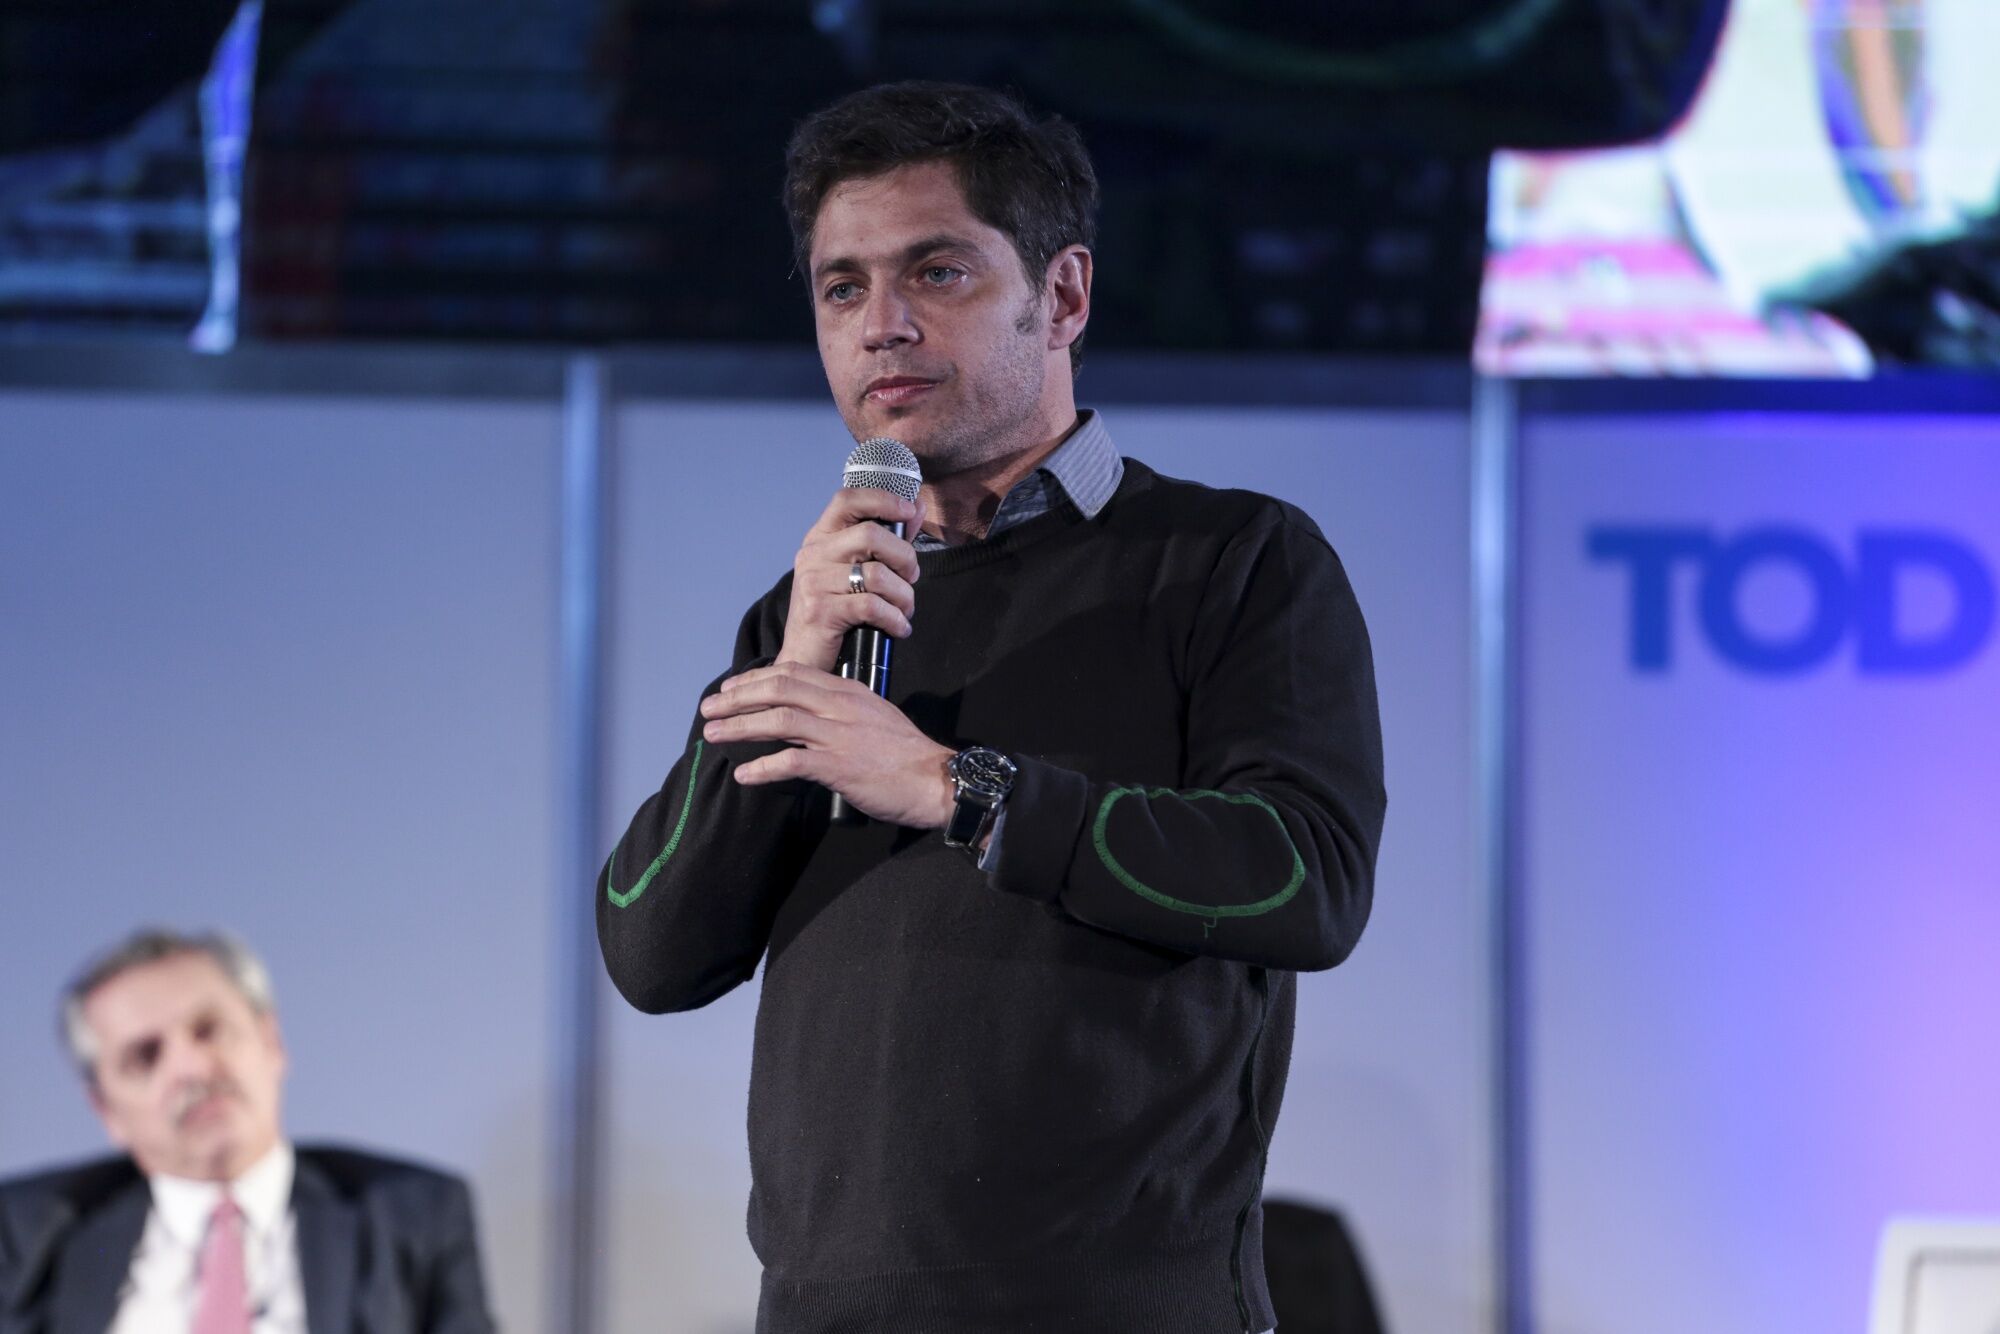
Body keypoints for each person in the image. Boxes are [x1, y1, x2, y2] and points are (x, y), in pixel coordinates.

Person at [597, 80, 1386, 1334]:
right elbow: (649, 948)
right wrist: (788, 670)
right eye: (840, 287)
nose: (880, 326)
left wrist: (959, 788)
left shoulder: (1231, 559)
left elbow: (1305, 877)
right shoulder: (814, 608)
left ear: (1061, 295)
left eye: (938, 273)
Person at [0, 929, 494, 1334]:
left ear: (271, 1043)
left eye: (209, 1029)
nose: (191, 1068)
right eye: (145, 1057)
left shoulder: (410, 1212)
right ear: (107, 1112)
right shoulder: (29, 1231)